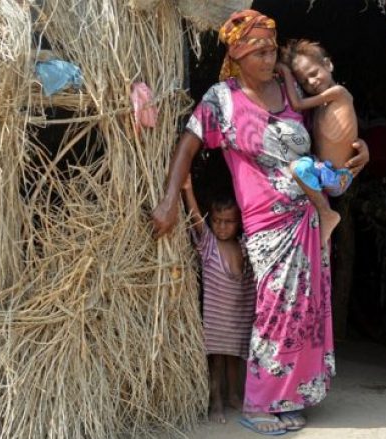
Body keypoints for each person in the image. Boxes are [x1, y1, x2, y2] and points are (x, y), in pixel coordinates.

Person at [152, 9, 369, 435]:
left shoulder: (289, 94)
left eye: (272, 50)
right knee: (275, 311)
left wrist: (357, 152)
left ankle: (288, 396)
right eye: (260, 52)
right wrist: (169, 200)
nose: (270, 59)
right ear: (239, 54)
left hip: (309, 217)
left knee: (303, 311)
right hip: (268, 223)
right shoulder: (223, 100)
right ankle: (259, 403)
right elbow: (187, 147)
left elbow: (324, 139)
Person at [181, 175, 255, 424]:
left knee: (234, 359)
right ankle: (216, 403)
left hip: (238, 319)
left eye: (229, 222)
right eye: (217, 221)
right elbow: (195, 218)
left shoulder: (245, 247)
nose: (222, 226)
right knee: (216, 361)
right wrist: (188, 189)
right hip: (216, 322)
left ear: (239, 223)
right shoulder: (209, 244)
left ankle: (234, 395)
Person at [277, 40, 357, 244]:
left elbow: (296, 104)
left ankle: (326, 213)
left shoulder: (339, 93)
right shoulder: (320, 105)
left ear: (328, 65)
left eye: (314, 73)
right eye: (304, 81)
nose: (311, 82)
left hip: (338, 177)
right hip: (326, 172)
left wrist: (285, 73)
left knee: (297, 168)